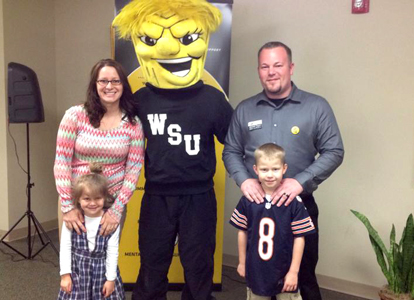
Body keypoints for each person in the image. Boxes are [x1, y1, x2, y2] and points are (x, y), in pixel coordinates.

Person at [112, 1, 234, 299]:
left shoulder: (213, 100)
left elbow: (235, 146)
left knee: (199, 266)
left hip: (199, 197)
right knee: (152, 265)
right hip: (156, 196)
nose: (168, 49)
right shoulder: (140, 99)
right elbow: (117, 139)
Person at [223, 41, 344, 300]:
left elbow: (334, 151)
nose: (271, 72)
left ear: (291, 67)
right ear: (258, 70)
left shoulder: (316, 106)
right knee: (258, 278)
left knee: (303, 277)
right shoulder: (245, 109)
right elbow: (230, 151)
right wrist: (244, 181)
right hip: (257, 209)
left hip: (298, 206)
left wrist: (299, 182)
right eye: (265, 66)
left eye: (278, 65)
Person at [54, 58, 144, 237]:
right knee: (72, 259)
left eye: (115, 81)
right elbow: (61, 161)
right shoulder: (75, 116)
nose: (109, 86)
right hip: (76, 200)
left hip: (112, 203)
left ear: (123, 85)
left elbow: (133, 170)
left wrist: (117, 210)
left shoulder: (133, 124)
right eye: (103, 81)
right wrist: (68, 206)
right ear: (95, 85)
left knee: (106, 260)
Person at [230, 143, 316, 300]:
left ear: (284, 169)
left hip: (285, 269)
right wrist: (242, 262)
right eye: (264, 170)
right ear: (255, 170)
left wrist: (294, 272)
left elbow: (300, 237)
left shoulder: (293, 201)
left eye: (275, 169)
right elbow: (241, 231)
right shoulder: (248, 200)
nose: (270, 175)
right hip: (257, 270)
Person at [58, 163, 125, 300]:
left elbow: (112, 252)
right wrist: (65, 275)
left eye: (98, 198)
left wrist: (111, 279)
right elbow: (65, 248)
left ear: (104, 198)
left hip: (102, 275)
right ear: (78, 199)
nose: (92, 203)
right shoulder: (73, 220)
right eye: (87, 198)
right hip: (78, 274)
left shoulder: (111, 222)